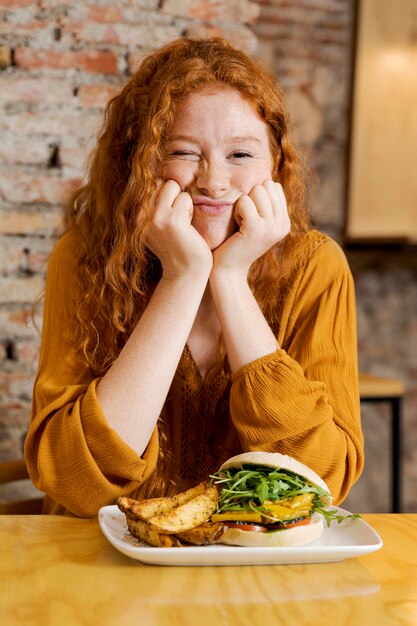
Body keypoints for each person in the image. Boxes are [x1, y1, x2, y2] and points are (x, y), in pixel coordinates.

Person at [24, 37, 364, 517]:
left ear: (276, 166)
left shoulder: (316, 267)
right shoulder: (83, 258)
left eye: (241, 155)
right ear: (138, 163)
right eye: (184, 152)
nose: (214, 181)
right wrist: (182, 280)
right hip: (102, 568)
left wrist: (230, 280)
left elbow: (320, 480)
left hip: (252, 572)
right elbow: (72, 482)